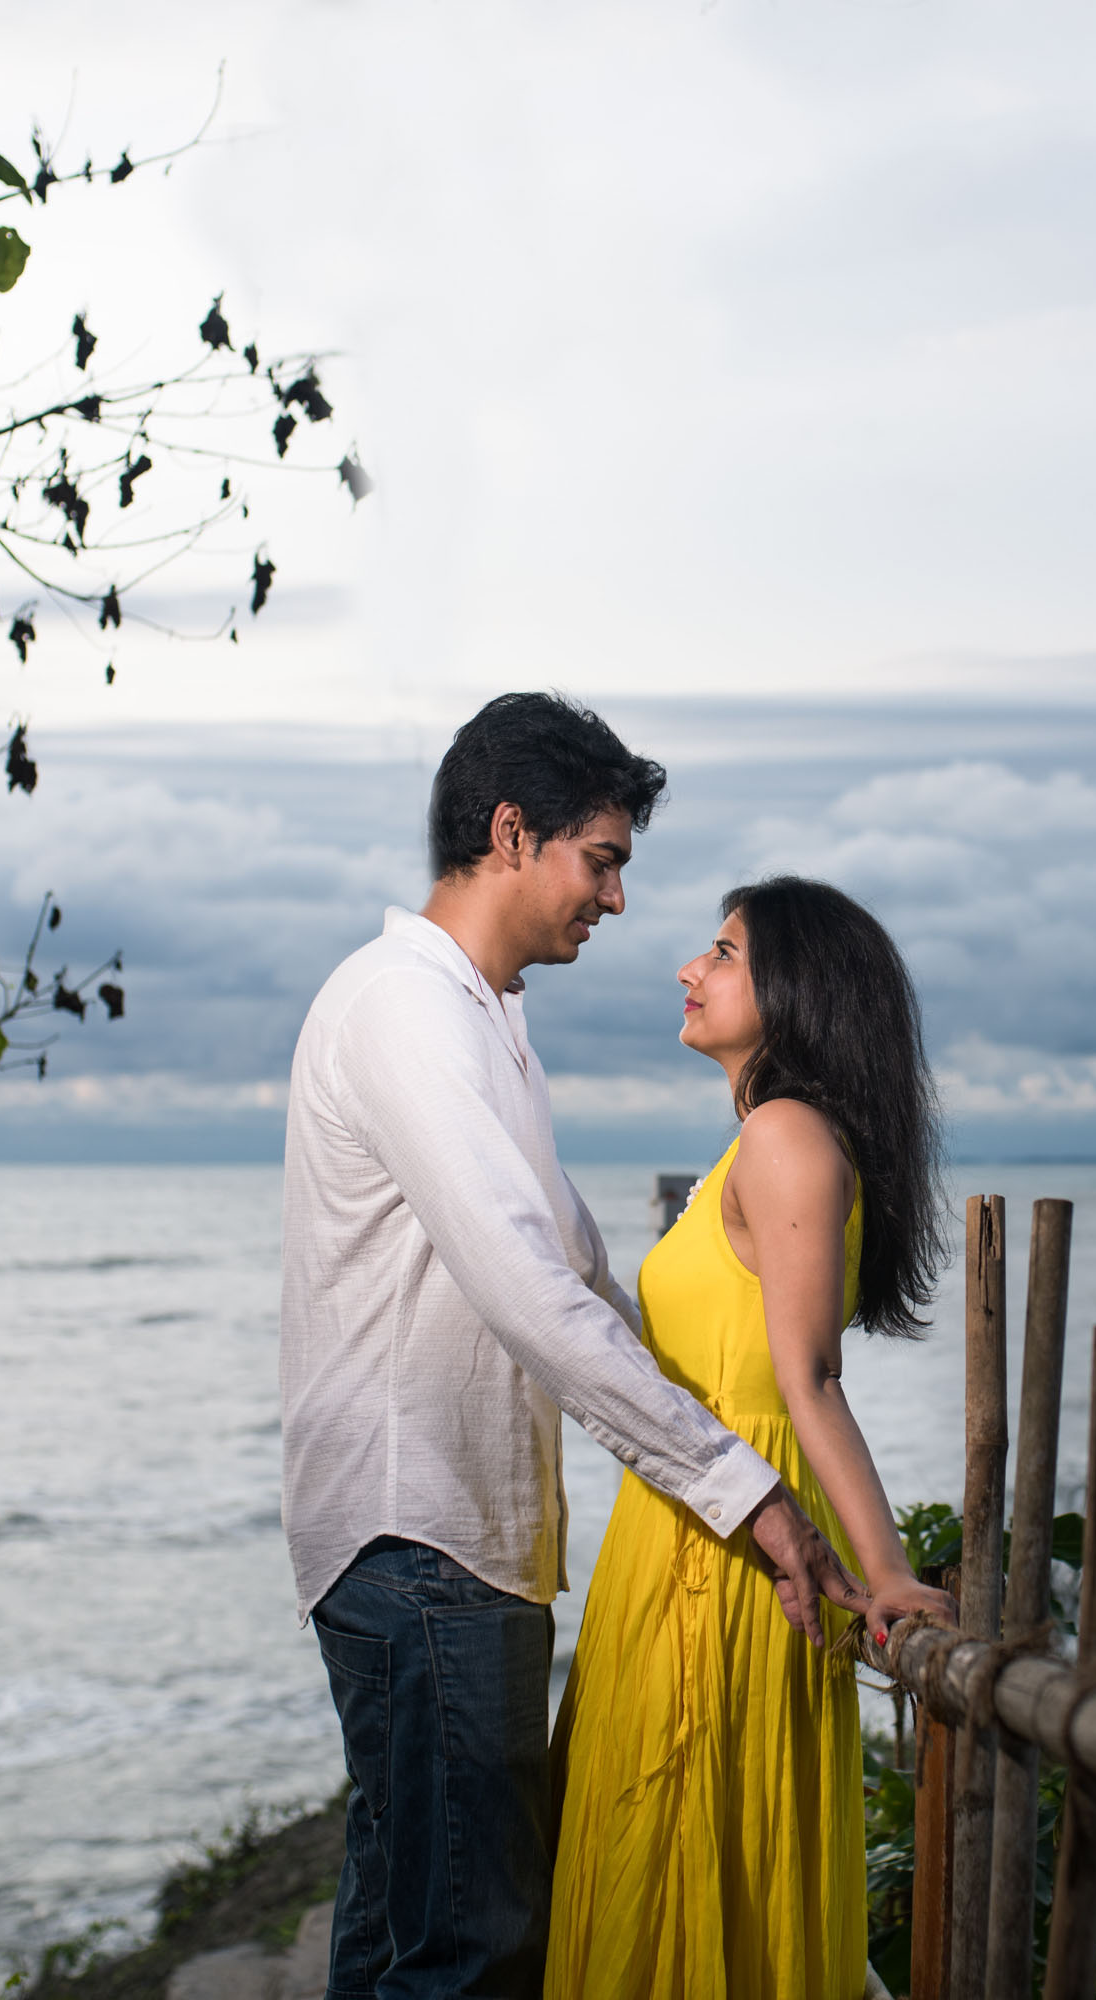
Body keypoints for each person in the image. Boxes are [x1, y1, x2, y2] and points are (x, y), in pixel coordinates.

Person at [280, 696, 868, 2000]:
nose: (613, 898)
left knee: (400, 1935)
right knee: (470, 1955)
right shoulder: (405, 1010)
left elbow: (588, 1278)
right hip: (416, 1539)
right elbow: (532, 1295)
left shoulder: (491, 1030)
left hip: (457, 1548)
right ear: (511, 834)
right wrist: (747, 1491)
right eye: (600, 859)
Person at [547, 876, 961, 1999]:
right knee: (663, 1859)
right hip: (689, 1528)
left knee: (685, 1861)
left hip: (730, 1557)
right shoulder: (755, 1143)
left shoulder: (785, 1133)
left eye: (722, 951)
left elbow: (808, 1377)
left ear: (794, 989)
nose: (690, 967)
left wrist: (886, 1570)